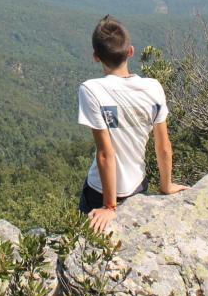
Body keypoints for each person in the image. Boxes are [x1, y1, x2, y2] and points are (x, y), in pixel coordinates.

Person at [78, 15, 188, 234]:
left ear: (96, 57)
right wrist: (166, 186)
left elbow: (105, 154)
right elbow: (163, 146)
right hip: (138, 187)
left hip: (99, 192)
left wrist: (109, 207)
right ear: (131, 52)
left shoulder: (91, 90)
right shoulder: (153, 88)